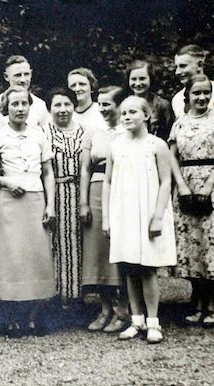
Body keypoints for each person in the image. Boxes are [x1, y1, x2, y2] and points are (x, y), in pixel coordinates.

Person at [0, 85, 56, 338]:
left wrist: (50, 205)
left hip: (35, 199)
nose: (20, 108)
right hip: (8, 201)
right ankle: (12, 318)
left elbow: (47, 173)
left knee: (35, 256)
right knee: (11, 258)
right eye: (15, 104)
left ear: (30, 106)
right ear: (6, 108)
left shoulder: (39, 135)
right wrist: (6, 182)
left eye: (24, 103)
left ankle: (33, 316)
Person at [102, 96, 176, 344]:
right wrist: (107, 217)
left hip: (147, 212)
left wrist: (157, 216)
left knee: (147, 268)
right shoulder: (116, 146)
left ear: (147, 115)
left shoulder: (157, 145)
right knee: (129, 268)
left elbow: (166, 181)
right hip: (124, 213)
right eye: (123, 113)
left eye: (133, 112)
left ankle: (153, 322)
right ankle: (137, 320)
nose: (127, 117)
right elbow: (108, 181)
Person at [169, 74, 214, 328]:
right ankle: (197, 301)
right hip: (185, 184)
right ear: (186, 95)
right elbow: (172, 155)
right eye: (196, 93)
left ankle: (213, 305)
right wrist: (181, 185)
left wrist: (211, 181)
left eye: (206, 92)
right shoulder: (179, 123)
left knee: (212, 243)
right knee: (191, 244)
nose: (201, 97)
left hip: (213, 182)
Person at [80, 86, 129, 333]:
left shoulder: (129, 129)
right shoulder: (93, 131)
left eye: (107, 104)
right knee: (98, 252)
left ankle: (124, 310)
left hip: (122, 190)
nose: (102, 108)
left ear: (119, 105)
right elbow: (86, 169)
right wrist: (84, 202)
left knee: (119, 251)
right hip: (97, 190)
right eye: (99, 104)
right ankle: (105, 308)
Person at [43, 87, 86, 304]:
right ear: (49, 109)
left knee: (78, 244)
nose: (62, 109)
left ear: (74, 106)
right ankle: (56, 298)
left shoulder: (85, 132)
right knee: (55, 244)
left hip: (79, 194)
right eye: (57, 105)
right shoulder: (43, 133)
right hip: (54, 194)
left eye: (67, 104)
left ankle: (77, 297)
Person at [171, 45, 214, 120]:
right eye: (176, 67)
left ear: (200, 65)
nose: (177, 72)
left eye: (183, 66)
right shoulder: (177, 99)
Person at [0, 55, 49, 129]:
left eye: (26, 74)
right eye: (17, 75)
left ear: (31, 74)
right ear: (6, 77)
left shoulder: (40, 106)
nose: (23, 80)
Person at [125, 60, 174, 140]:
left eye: (142, 79)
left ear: (150, 79)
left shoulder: (162, 105)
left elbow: (170, 134)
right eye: (134, 79)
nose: (137, 83)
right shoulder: (124, 104)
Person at [67, 67, 107, 133]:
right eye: (73, 85)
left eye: (82, 84)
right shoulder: (66, 114)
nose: (77, 89)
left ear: (91, 88)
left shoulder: (102, 110)